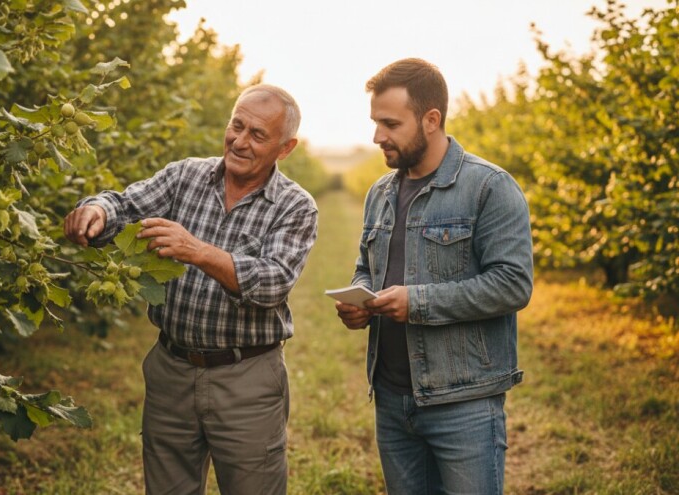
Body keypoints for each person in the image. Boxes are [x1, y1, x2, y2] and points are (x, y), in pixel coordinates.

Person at [64, 84, 318, 494]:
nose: (239, 140)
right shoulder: (185, 176)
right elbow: (126, 205)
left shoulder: (295, 206)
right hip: (172, 370)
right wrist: (97, 210)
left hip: (247, 378)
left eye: (257, 135)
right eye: (237, 125)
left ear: (284, 148)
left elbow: (273, 281)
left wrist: (197, 251)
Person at [334, 58, 533, 494]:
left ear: (431, 119)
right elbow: (368, 265)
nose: (377, 136)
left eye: (390, 123)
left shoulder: (489, 188)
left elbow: (513, 284)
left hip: (463, 403)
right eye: (374, 122)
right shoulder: (380, 193)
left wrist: (417, 302)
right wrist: (360, 300)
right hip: (390, 399)